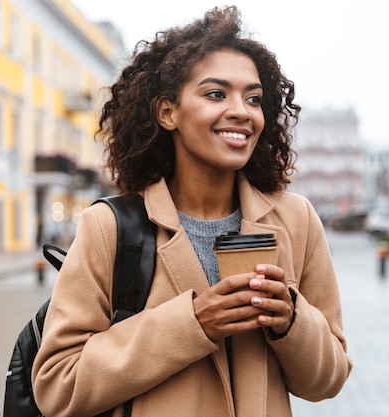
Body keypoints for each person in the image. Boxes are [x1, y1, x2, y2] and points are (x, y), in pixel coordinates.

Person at [32, 6, 352, 417]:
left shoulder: (297, 220)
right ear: (168, 113)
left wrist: (291, 319)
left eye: (253, 98)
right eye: (216, 93)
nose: (241, 110)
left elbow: (328, 380)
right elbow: (58, 386)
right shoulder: (110, 226)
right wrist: (193, 322)